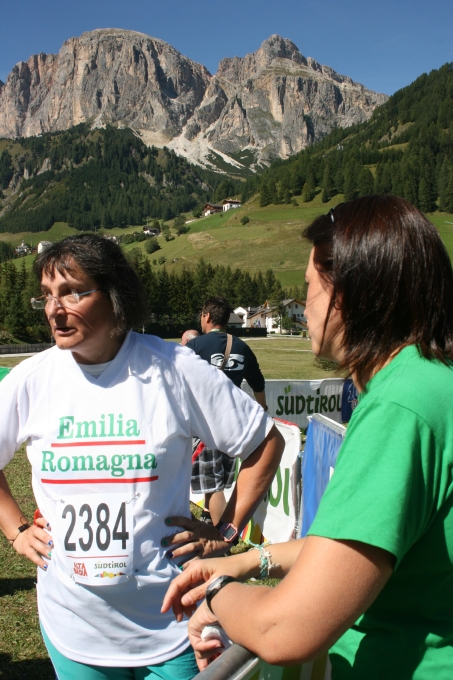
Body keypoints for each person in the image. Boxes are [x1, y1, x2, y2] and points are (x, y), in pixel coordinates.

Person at [163, 195, 453, 679]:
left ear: (349, 293)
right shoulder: (429, 381)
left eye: (309, 287)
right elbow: (353, 547)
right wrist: (246, 563)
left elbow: (287, 629)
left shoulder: (399, 407)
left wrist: (215, 596)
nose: (305, 307)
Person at [0, 234, 284, 679]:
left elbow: (265, 442)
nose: (55, 309)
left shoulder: (174, 368)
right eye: (47, 296)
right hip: (74, 627)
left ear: (115, 296)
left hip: (174, 620)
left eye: (72, 293)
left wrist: (226, 531)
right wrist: (16, 530)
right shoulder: (31, 379)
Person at [186, 296, 267, 525]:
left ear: (207, 316)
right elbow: (258, 382)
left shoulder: (195, 346)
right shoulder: (242, 347)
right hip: (233, 426)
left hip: (205, 427)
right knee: (217, 482)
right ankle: (210, 520)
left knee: (213, 486)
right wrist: (263, 410)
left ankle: (221, 538)